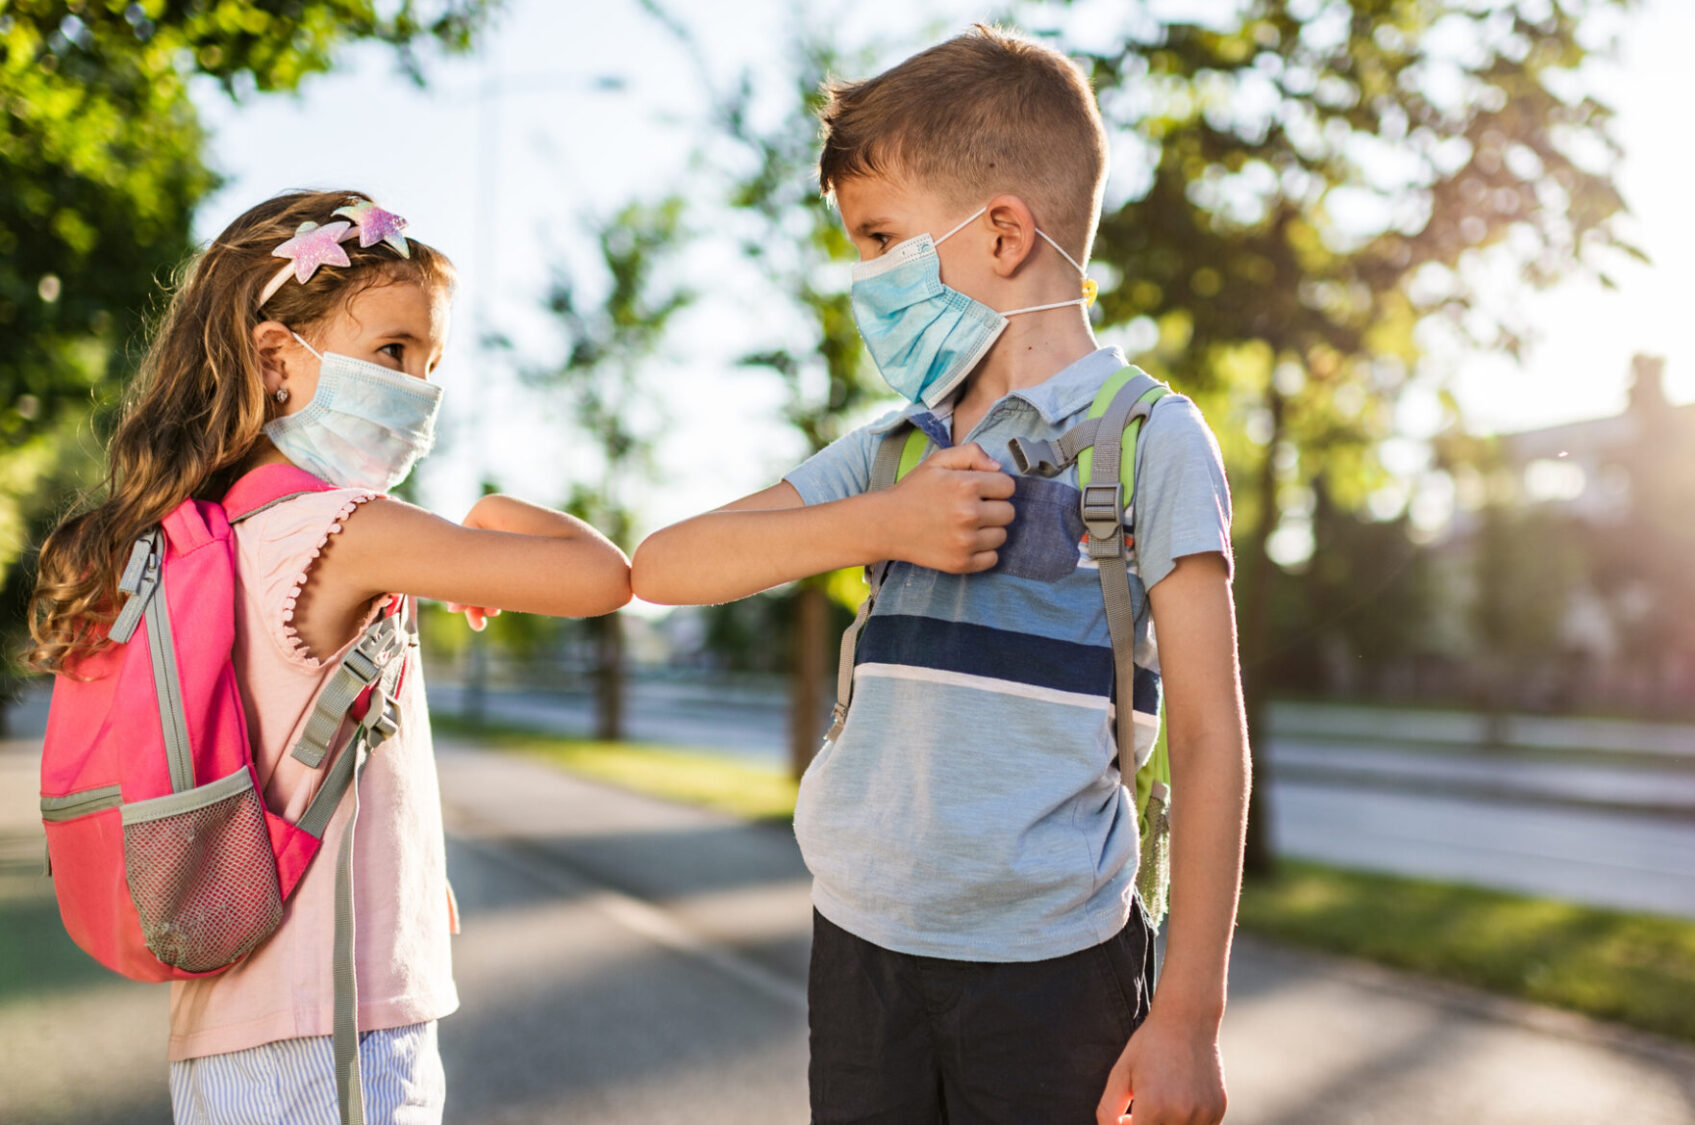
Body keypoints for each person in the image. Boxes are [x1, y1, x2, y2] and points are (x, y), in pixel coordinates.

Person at [632, 27, 1249, 1125]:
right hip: (862, 951)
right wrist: (882, 522)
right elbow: (667, 567)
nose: (865, 278)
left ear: (1002, 232)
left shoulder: (1149, 439)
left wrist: (1187, 1021)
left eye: (879, 240)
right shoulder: (889, 451)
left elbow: (1207, 743)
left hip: (1054, 970)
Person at [27, 189, 632, 1124]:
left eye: (431, 363)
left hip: (238, 1025)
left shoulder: (216, 530)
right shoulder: (345, 527)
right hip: (331, 1033)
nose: (418, 390)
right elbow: (603, 576)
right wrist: (490, 519)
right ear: (277, 360)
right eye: (392, 352)